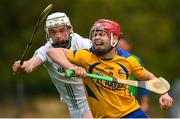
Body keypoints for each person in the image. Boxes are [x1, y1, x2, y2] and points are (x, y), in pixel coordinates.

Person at [47, 19, 173, 118]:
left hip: (132, 114)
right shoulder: (85, 57)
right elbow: (53, 52)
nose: (96, 38)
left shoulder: (128, 61)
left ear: (114, 39)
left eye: (102, 34)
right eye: (94, 34)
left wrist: (164, 93)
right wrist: (71, 67)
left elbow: (150, 78)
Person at [12, 12, 92, 118]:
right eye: (53, 32)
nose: (58, 36)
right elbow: (30, 65)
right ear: (48, 34)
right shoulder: (46, 50)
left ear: (69, 30)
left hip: (92, 101)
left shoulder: (82, 43)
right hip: (74, 107)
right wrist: (22, 66)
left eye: (62, 30)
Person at [117, 36, 150, 113]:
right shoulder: (109, 60)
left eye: (123, 46)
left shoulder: (135, 60)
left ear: (129, 46)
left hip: (131, 99)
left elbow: (144, 82)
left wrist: (145, 102)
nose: (120, 49)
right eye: (118, 46)